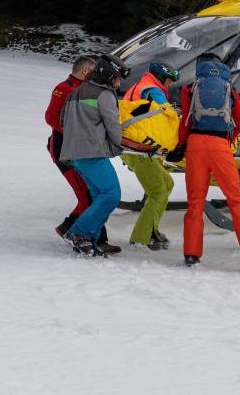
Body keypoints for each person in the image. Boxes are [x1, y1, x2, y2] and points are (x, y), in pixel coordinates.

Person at [165, 52, 240, 268]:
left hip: (195, 145)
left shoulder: (191, 88)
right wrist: (226, 138)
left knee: (195, 202)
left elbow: (186, 121)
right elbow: (238, 120)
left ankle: (192, 254)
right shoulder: (230, 88)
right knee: (235, 199)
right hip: (220, 145)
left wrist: (181, 145)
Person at [45, 55, 118, 255]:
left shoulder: (89, 89)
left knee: (94, 193)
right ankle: (78, 233)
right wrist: (78, 133)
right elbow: (51, 117)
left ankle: (83, 233)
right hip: (65, 150)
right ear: (85, 71)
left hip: (82, 148)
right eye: (94, 71)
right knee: (87, 195)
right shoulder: (65, 88)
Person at [59, 55, 129, 256]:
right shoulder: (104, 94)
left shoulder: (76, 92)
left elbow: (63, 120)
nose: (119, 84)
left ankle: (92, 239)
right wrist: (116, 146)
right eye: (117, 79)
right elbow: (112, 125)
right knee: (112, 194)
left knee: (99, 196)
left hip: (75, 154)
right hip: (93, 152)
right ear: (109, 75)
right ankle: (79, 233)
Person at [122, 61, 179, 250]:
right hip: (138, 149)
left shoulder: (141, 85)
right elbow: (167, 115)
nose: (170, 85)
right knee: (158, 191)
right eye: (169, 81)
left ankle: (151, 230)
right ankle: (141, 237)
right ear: (162, 77)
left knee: (167, 183)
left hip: (135, 146)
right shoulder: (153, 90)